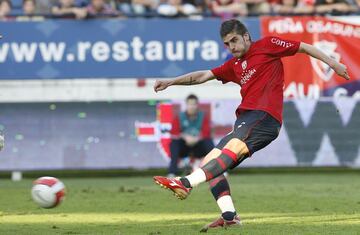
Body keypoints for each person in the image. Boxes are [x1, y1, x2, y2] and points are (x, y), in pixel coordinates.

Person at [152, 19, 350, 232]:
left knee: (230, 150)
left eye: (234, 40)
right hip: (246, 120)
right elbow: (203, 75)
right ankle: (229, 215)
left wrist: (334, 64)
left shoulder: (267, 45)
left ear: (246, 36)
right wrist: (172, 81)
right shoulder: (234, 65)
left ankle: (186, 182)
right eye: (227, 44)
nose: (231, 47)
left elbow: (304, 47)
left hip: (265, 117)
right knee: (211, 161)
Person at [168, 94, 214, 177]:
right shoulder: (179, 116)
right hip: (184, 146)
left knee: (209, 143)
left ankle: (217, 170)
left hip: (198, 145)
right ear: (186, 105)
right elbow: (174, 133)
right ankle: (172, 172)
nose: (192, 106)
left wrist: (196, 139)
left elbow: (206, 132)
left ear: (197, 105)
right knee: (174, 144)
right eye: (190, 104)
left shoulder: (203, 116)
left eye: (194, 104)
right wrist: (185, 137)